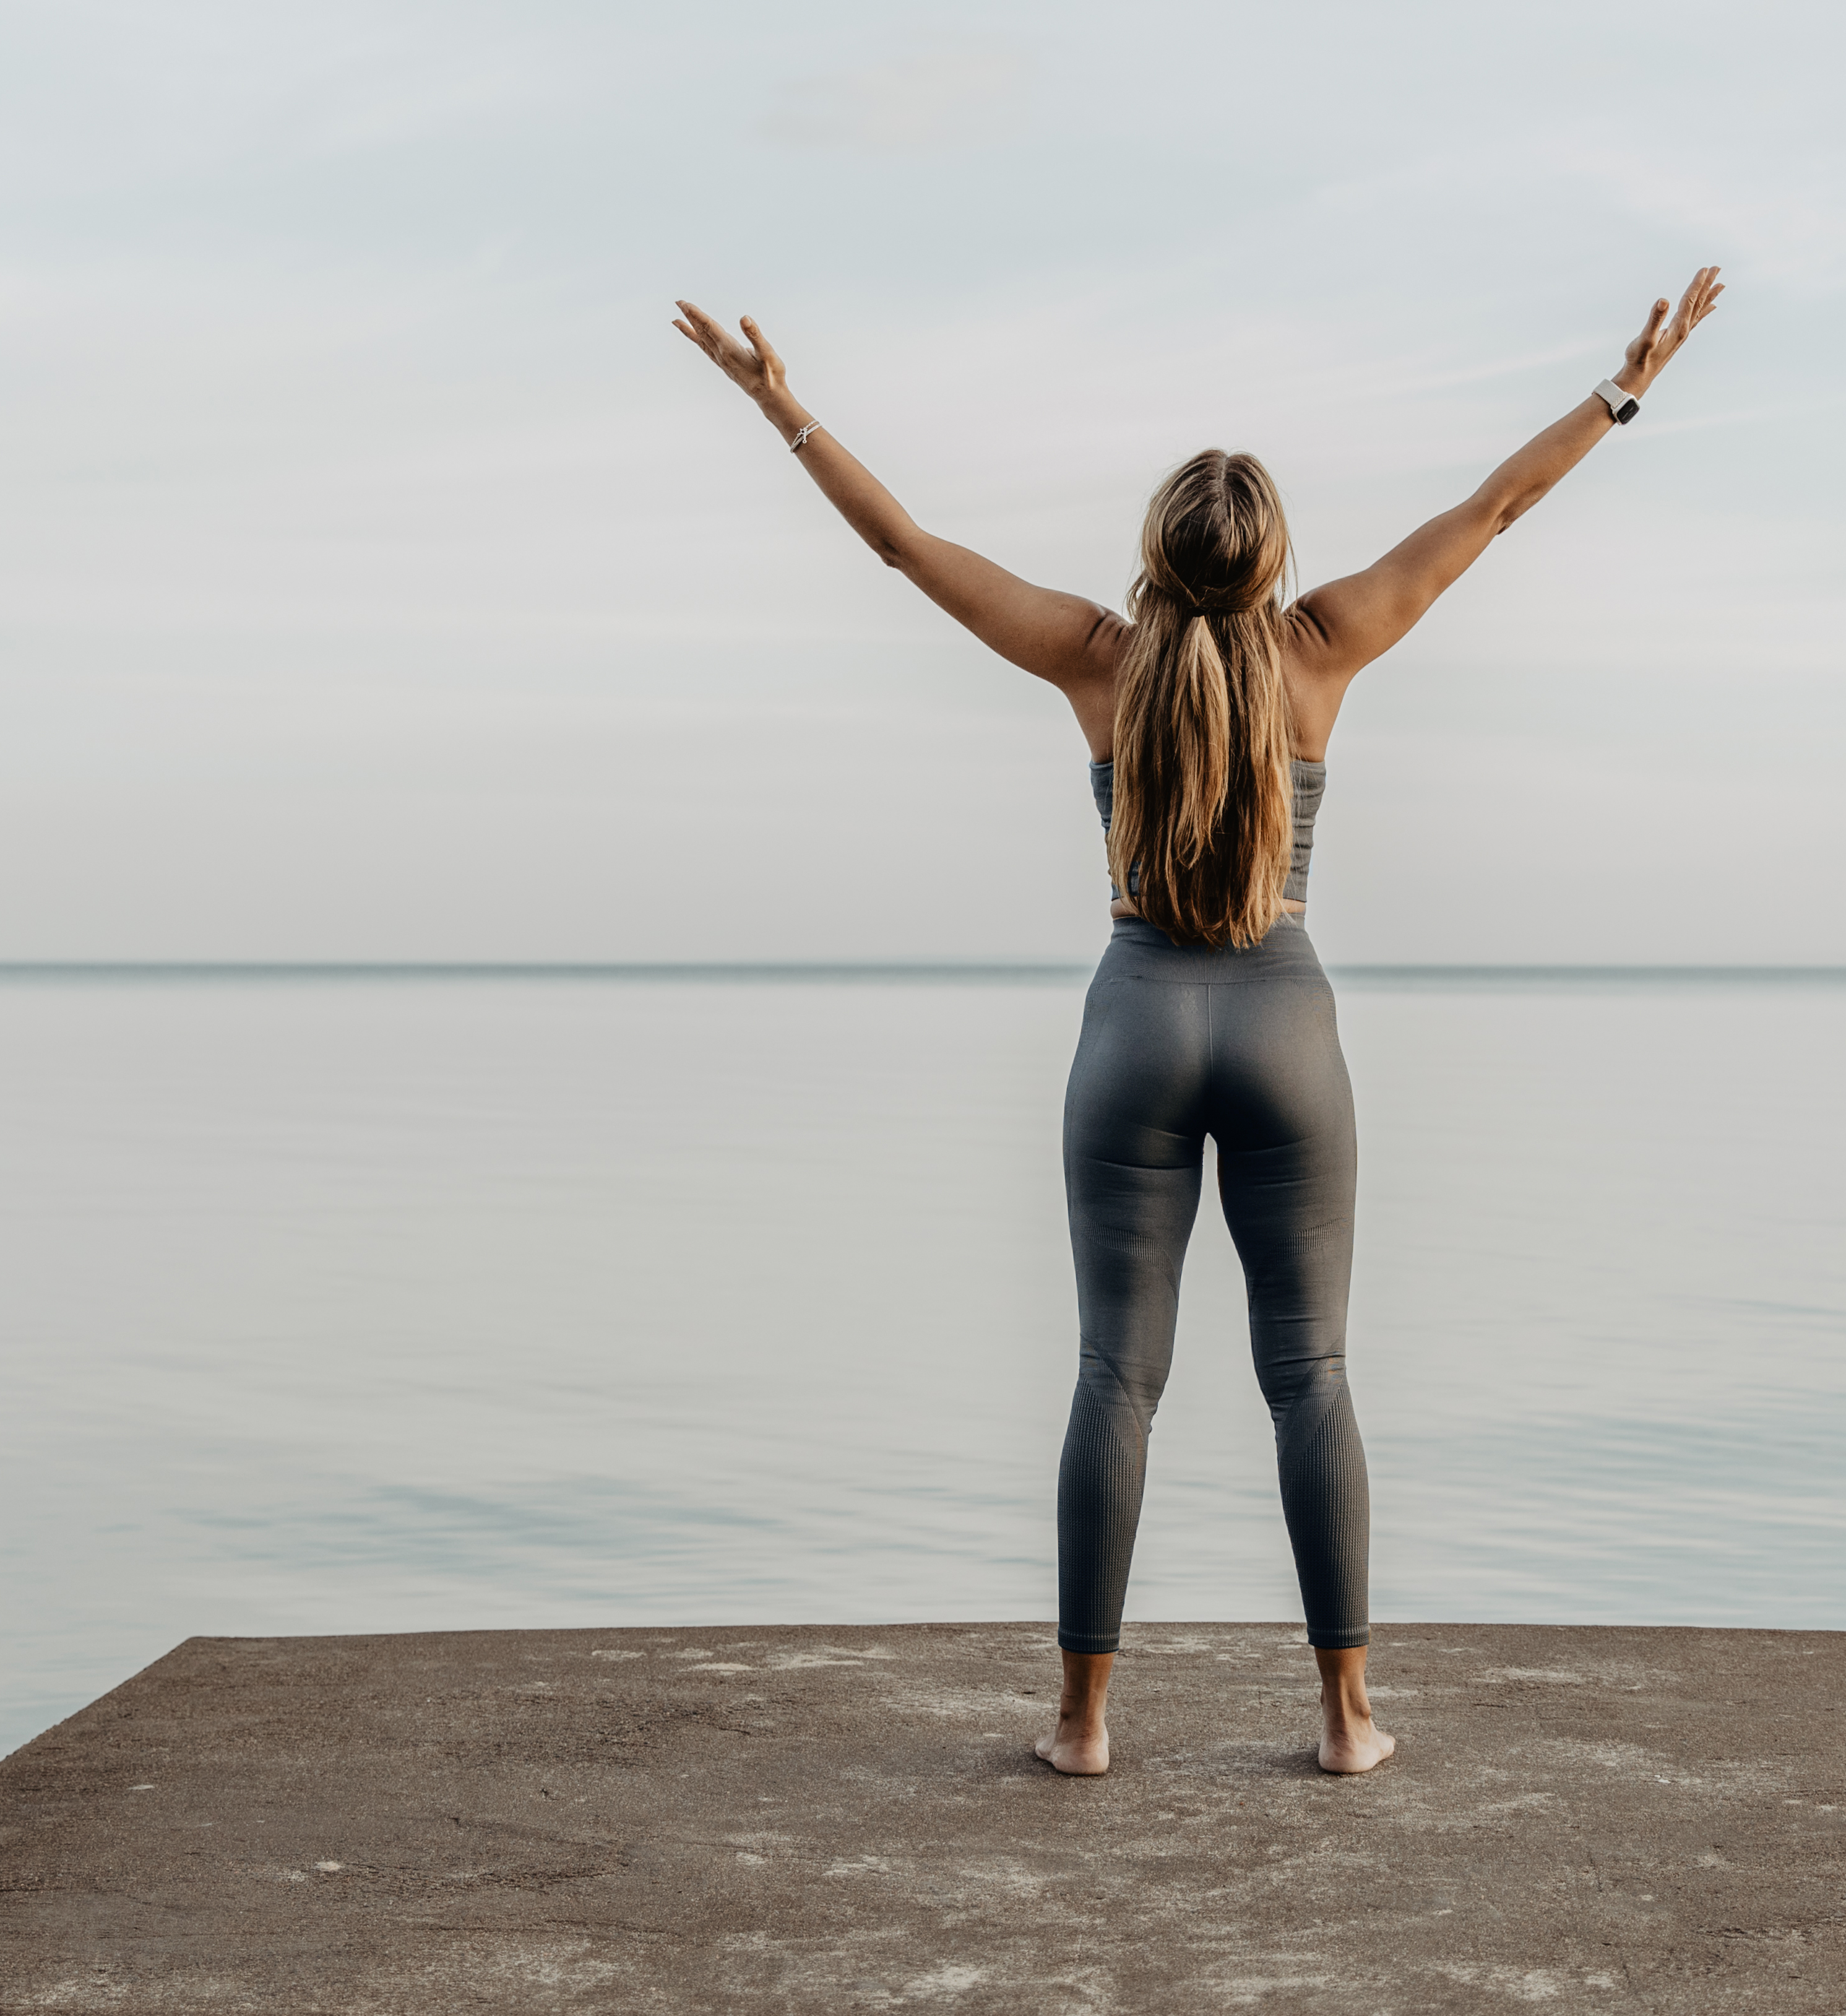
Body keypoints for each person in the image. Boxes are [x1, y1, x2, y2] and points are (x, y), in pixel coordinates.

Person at [670, 269, 1730, 1778]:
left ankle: (1083, 1724)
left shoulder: (1098, 660)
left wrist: (780, 406)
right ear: (1269, 557)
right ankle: (1348, 1718)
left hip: (1134, 1024)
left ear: (1157, 555)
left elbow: (907, 548)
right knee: (1313, 1377)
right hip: (1287, 1023)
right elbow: (1491, 512)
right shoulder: (1320, 650)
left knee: (1116, 1375)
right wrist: (1623, 390)